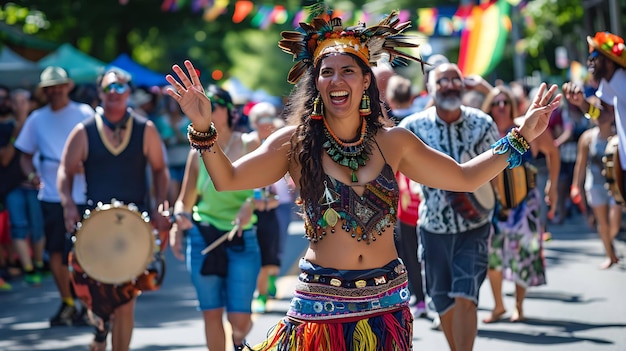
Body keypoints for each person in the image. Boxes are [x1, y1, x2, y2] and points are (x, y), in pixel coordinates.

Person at [166, 12, 560, 350]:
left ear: (365, 81)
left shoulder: (395, 142)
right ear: (317, 83)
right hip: (320, 308)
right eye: (327, 71)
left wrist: (520, 137)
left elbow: (463, 177)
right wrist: (203, 128)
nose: (337, 79)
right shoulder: (294, 144)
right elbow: (227, 178)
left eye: (348, 70)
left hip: (386, 304)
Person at [57, 68, 170, 351]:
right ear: (100, 93)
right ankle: (99, 327)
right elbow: (65, 170)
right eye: (109, 88)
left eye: (120, 88)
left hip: (134, 227)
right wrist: (68, 204)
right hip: (95, 228)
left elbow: (159, 169)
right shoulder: (85, 130)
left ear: (129, 93)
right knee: (98, 300)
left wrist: (159, 206)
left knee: (126, 302)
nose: (114, 93)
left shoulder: (146, 129)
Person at [398, 63, 498, 350]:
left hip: (475, 226)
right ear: (429, 88)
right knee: (442, 300)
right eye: (442, 81)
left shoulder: (483, 123)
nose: (450, 85)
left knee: (467, 296)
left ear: (463, 86)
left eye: (456, 79)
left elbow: (498, 169)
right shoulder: (412, 128)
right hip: (432, 228)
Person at [169, 85, 262, 351]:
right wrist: (179, 220)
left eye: (213, 105)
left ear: (229, 110)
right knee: (211, 312)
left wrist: (251, 203)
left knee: (239, 320)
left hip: (242, 239)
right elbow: (184, 201)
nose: (207, 110)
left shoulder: (249, 144)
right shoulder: (194, 153)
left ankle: (238, 339)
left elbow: (265, 191)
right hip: (203, 237)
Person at [14, 66, 95, 326]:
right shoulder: (36, 119)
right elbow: (25, 156)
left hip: (83, 193)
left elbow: (99, 148)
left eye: (60, 85)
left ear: (68, 86)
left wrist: (87, 164)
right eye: (50, 87)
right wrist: (31, 176)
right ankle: (68, 302)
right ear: (44, 91)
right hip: (51, 195)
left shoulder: (84, 113)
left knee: (85, 251)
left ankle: (88, 303)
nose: (56, 91)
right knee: (57, 252)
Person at [480, 86, 558, 323]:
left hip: (526, 204)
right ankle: (498, 306)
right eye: (496, 102)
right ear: (490, 107)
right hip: (493, 206)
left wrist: (552, 187)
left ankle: (519, 306)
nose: (501, 107)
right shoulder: (484, 132)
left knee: (523, 254)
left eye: (505, 102)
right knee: (492, 257)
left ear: (512, 105)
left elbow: (553, 153)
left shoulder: (527, 128)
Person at [562, 31, 626, 200]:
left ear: (610, 63)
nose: (590, 62)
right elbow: (603, 117)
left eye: (595, 56)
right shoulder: (608, 83)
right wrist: (582, 103)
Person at [570, 108, 622, 268]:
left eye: (603, 112)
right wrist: (575, 186)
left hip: (615, 186)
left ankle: (610, 242)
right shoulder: (587, 137)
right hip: (594, 184)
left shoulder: (619, 136)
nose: (600, 116)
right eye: (596, 112)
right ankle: (610, 255)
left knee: (614, 223)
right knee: (602, 223)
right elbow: (580, 163)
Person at [247, 102, 284, 314]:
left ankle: (270, 278)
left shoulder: (276, 142)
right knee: (258, 255)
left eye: (270, 119)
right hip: (248, 207)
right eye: (262, 120)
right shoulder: (247, 143)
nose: (267, 124)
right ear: (254, 123)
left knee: (272, 249)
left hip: (273, 205)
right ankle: (259, 294)